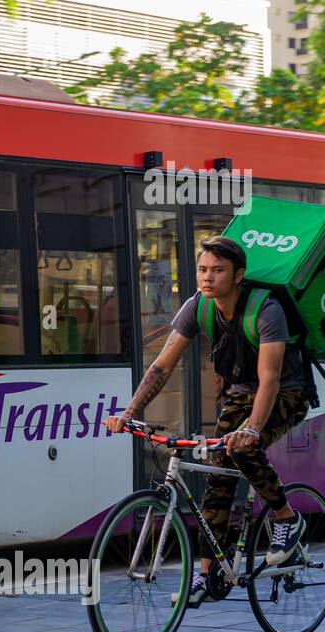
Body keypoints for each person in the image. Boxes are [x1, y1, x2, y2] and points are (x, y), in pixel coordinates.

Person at [104, 235, 310, 607]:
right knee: (217, 472)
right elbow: (162, 365)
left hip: (286, 393)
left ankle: (286, 518)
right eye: (202, 269)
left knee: (245, 450)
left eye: (218, 270)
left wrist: (252, 429)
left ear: (238, 274)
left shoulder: (266, 309)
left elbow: (270, 379)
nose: (207, 277)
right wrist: (130, 412)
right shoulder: (197, 307)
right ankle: (205, 575)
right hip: (239, 391)